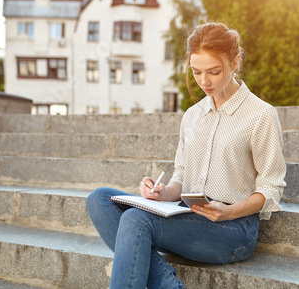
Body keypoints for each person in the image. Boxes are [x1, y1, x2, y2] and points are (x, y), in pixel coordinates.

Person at [86, 22, 287, 288]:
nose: (204, 81)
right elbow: (181, 177)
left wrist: (228, 212)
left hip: (233, 228)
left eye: (214, 72)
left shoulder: (260, 114)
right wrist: (160, 193)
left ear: (235, 62)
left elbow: (271, 186)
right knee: (99, 199)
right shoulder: (192, 116)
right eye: (197, 72)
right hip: (185, 214)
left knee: (135, 220)